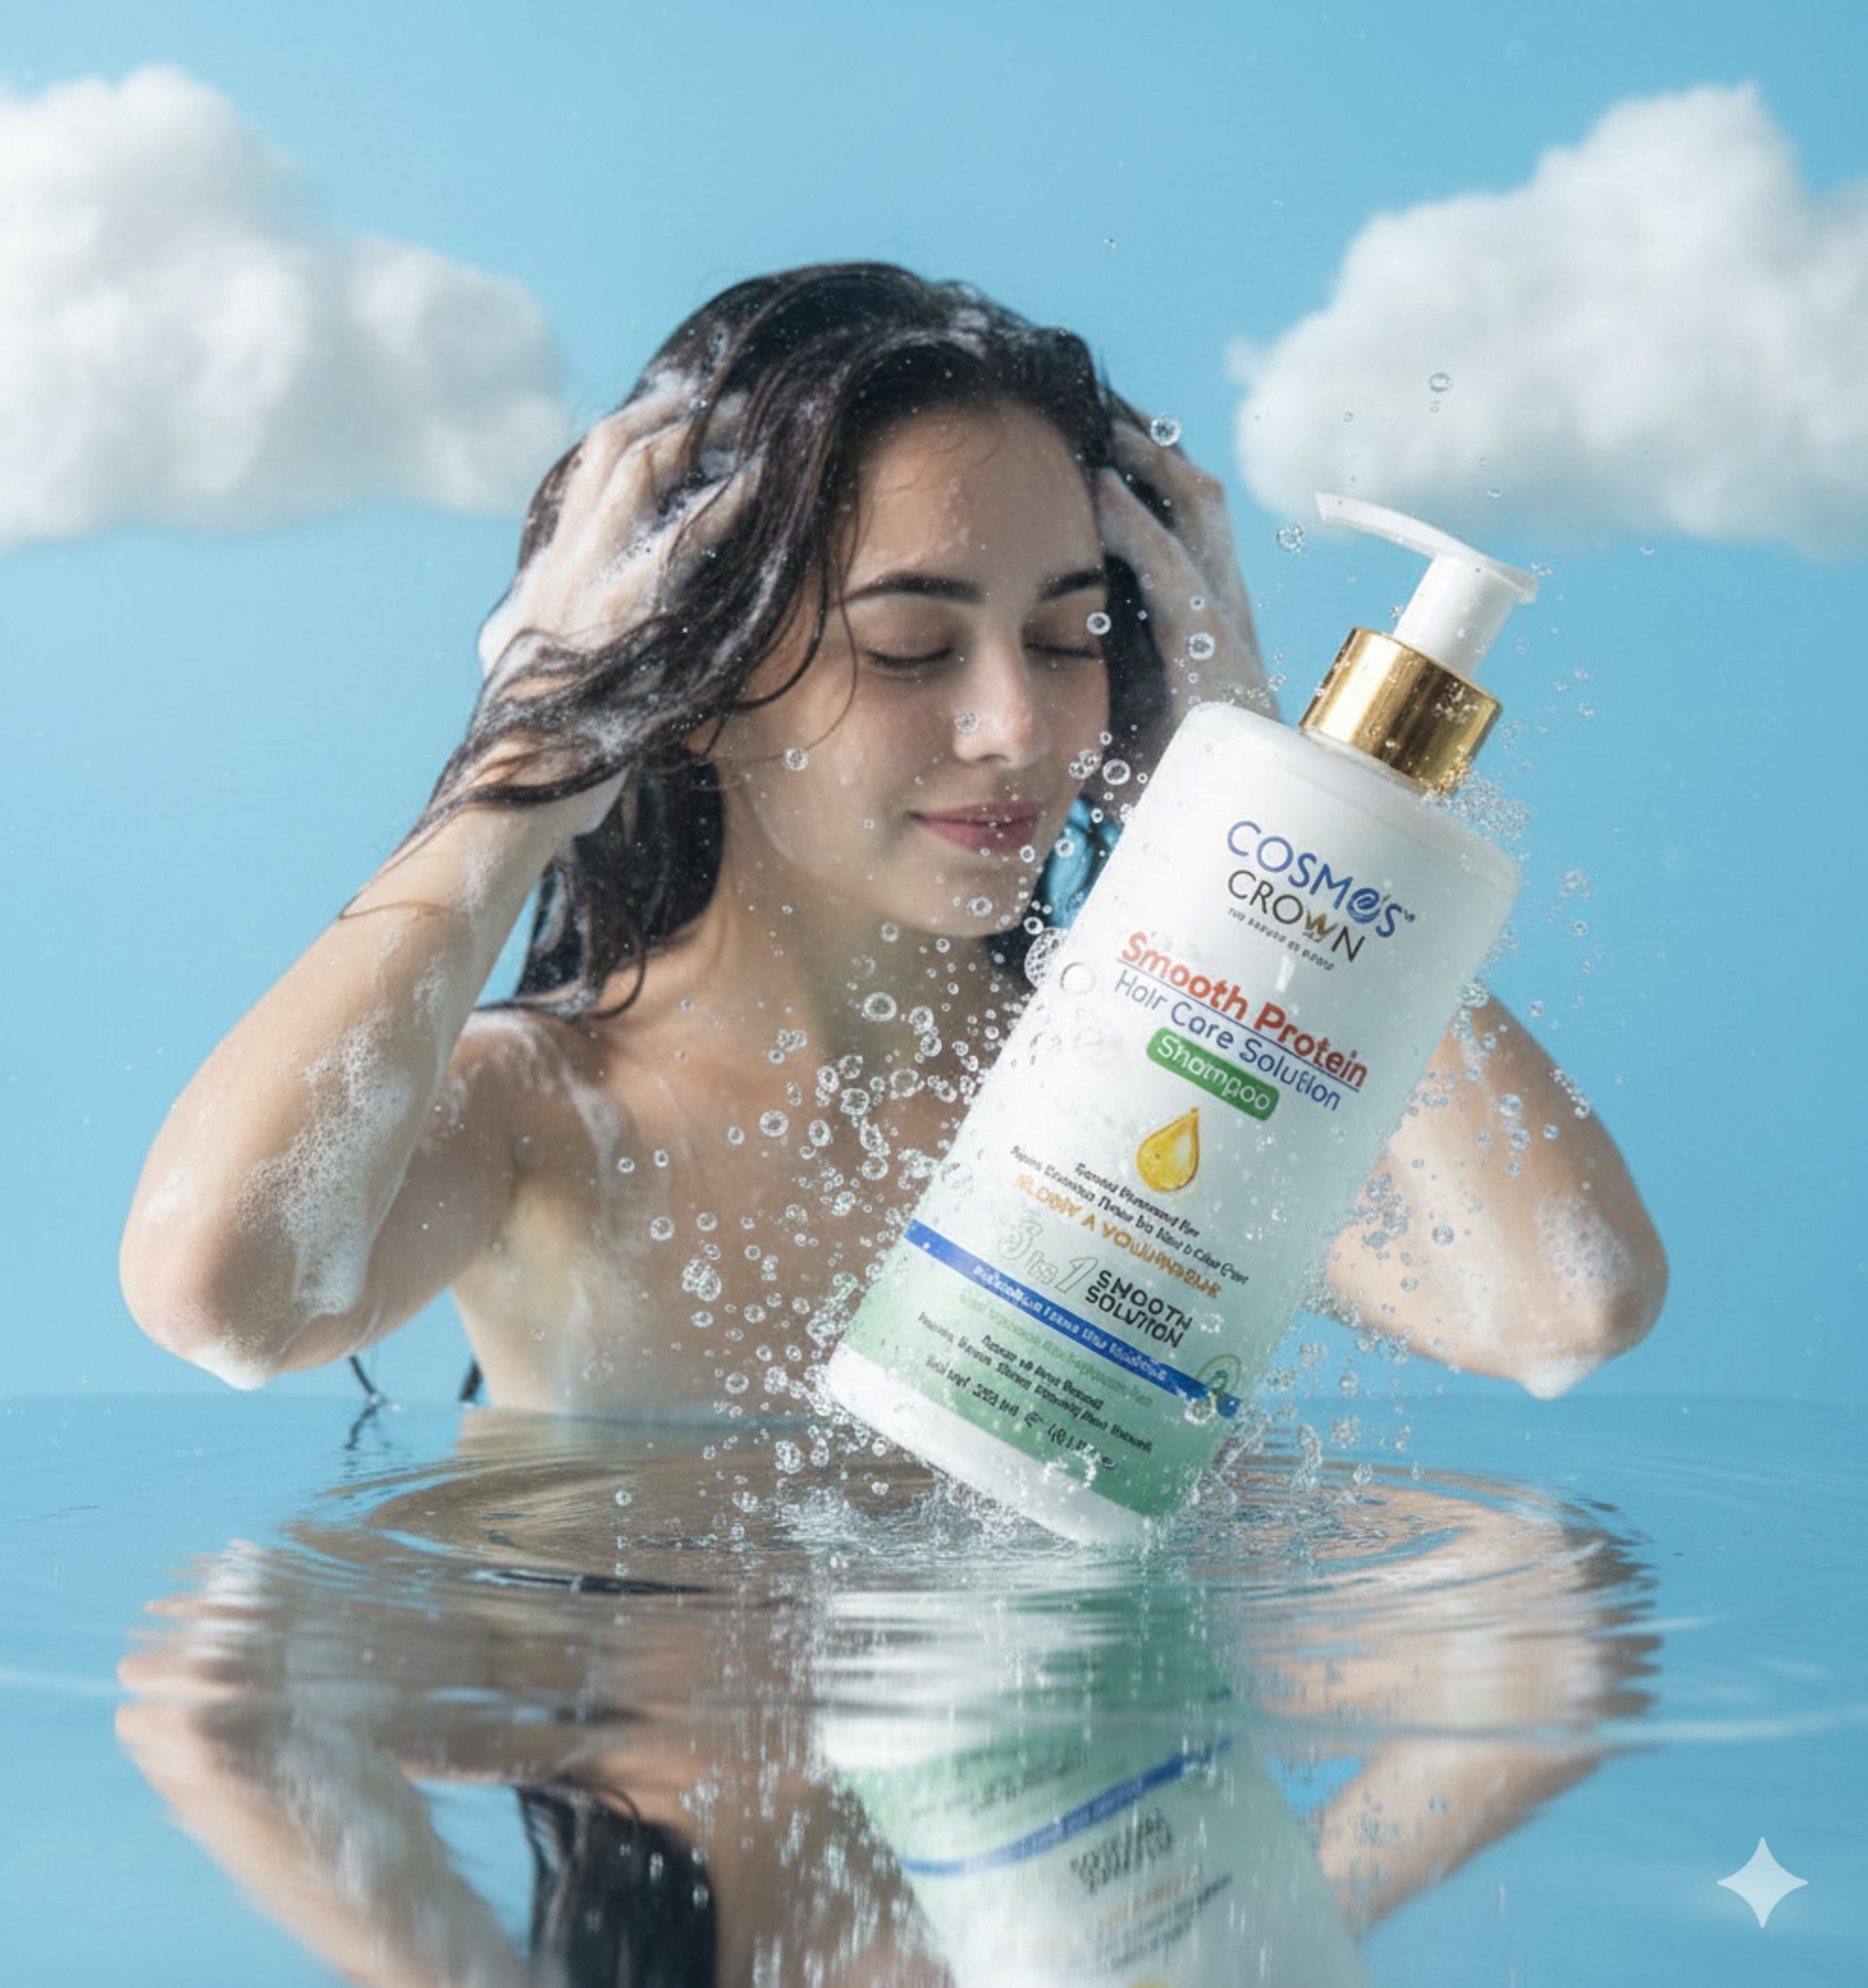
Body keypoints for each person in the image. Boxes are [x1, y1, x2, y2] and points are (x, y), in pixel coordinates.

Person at [120, 262, 1667, 1417]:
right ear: (699, 685)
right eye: (915, 648)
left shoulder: (1141, 1097)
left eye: (1071, 640)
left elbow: (1562, 1305)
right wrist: (531, 754)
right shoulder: (546, 1115)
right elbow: (220, 1300)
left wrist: (1253, 795)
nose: (1018, 725)